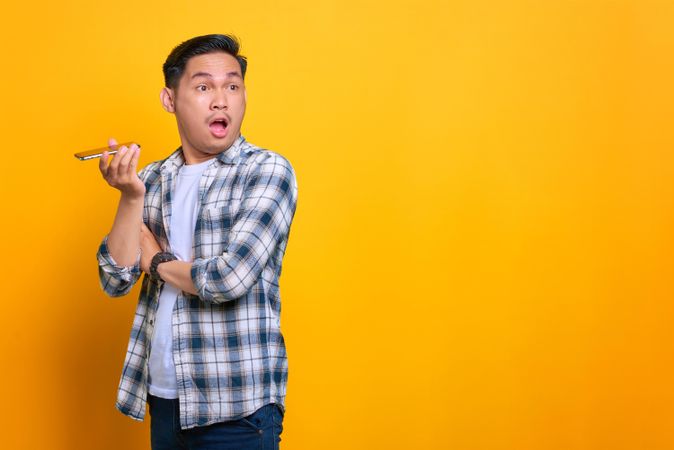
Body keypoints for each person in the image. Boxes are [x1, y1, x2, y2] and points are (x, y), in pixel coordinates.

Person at [96, 34, 298, 450]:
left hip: (238, 409)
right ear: (170, 100)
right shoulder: (151, 179)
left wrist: (155, 262)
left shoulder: (266, 171)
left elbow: (228, 279)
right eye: (204, 87)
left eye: (233, 86)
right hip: (164, 400)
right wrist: (131, 198)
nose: (221, 99)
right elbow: (114, 278)